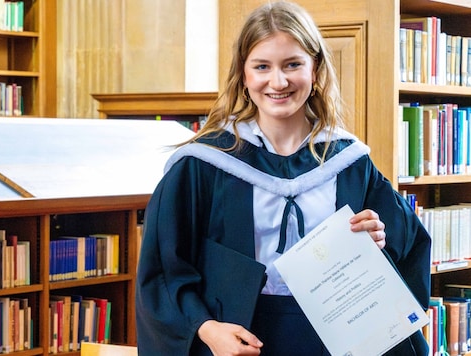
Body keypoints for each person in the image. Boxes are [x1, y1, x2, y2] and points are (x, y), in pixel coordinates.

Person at [135, 1, 431, 355]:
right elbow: (164, 271)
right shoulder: (204, 165)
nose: (279, 81)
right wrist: (206, 329)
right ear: (244, 75)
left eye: (293, 64)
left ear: (315, 68)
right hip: (242, 339)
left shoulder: (348, 160)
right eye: (262, 66)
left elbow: (406, 248)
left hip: (337, 337)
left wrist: (378, 239)